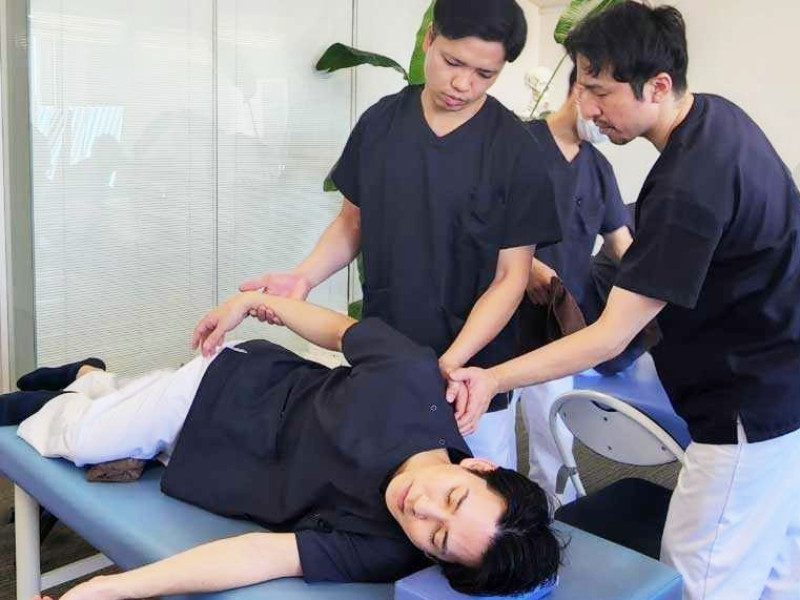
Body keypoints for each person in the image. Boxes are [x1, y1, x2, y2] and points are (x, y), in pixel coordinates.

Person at [448, 3, 800, 599]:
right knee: (776, 569)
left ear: (658, 86)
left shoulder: (688, 183)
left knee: (698, 579)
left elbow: (612, 333)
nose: (587, 107)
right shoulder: (721, 120)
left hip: (746, 406)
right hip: (782, 389)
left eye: (600, 91)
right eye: (581, 88)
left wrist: (491, 378)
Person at [4, 292, 560, 598]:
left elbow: (261, 555)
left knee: (121, 416)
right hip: (223, 388)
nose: (421, 508)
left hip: (211, 463)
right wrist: (252, 301)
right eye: (453, 498)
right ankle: (77, 391)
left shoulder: (392, 546)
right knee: (77, 439)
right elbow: (340, 332)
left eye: (438, 539)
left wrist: (110, 590)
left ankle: (91, 375)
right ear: (479, 466)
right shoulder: (412, 380)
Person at [238, 0, 560, 468]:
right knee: (378, 487)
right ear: (429, 38)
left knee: (473, 495)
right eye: (452, 62)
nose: (463, 84)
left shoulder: (516, 149)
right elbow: (352, 223)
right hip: (385, 353)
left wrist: (451, 362)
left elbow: (511, 277)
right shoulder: (381, 122)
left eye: (484, 74)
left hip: (470, 376)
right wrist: (303, 277)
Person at [518, 67, 632, 503]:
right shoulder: (517, 144)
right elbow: (473, 222)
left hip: (557, 321)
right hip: (499, 313)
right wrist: (526, 265)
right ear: (580, 90)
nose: (608, 121)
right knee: (489, 431)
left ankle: (552, 513)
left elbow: (622, 245)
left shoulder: (598, 168)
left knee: (554, 435)